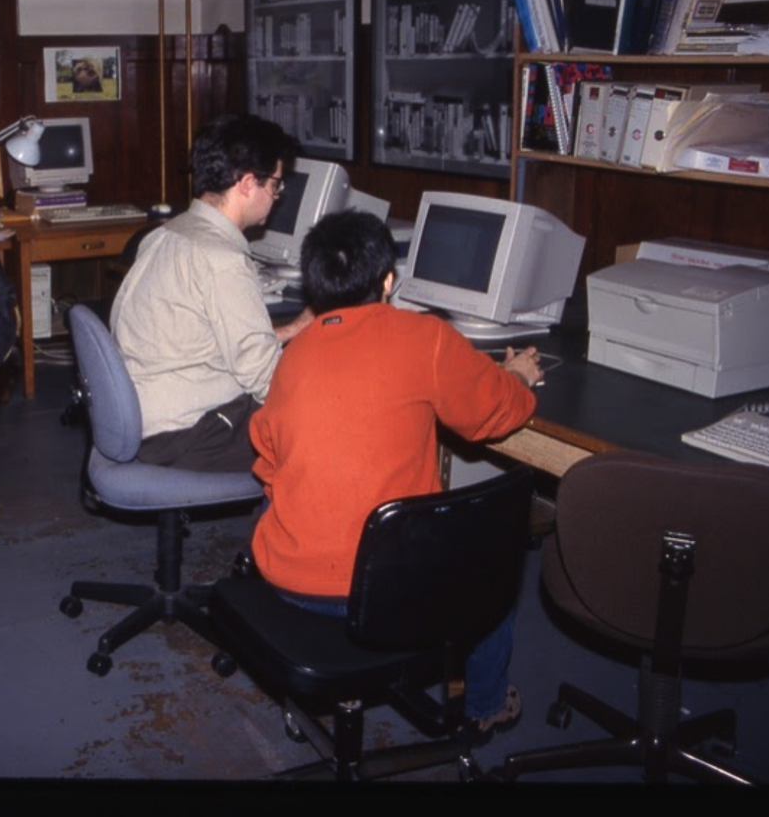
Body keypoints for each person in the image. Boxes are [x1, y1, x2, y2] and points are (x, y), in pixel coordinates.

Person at [250, 209, 543, 738]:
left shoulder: (292, 355)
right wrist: (518, 376)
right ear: (388, 281)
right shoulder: (423, 337)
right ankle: (484, 705)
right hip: (388, 596)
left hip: (289, 582)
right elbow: (491, 415)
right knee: (490, 569)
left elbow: (268, 459)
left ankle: (321, 691)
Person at [110, 114, 314, 472]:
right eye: (276, 186)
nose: (277, 197)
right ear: (248, 183)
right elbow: (267, 381)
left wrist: (290, 331)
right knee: (324, 420)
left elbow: (203, 339)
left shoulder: (167, 234)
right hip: (186, 436)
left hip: (142, 416)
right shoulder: (222, 259)